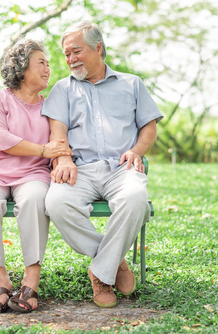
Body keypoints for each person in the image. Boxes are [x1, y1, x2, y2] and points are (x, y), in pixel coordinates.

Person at [41, 21, 163, 308]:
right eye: (66, 54)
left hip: (121, 168)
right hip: (79, 169)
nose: (70, 59)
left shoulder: (132, 83)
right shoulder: (62, 89)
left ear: (98, 48)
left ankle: (100, 274)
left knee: (136, 200)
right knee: (56, 203)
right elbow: (57, 132)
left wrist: (137, 150)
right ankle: (113, 261)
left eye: (76, 51)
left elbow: (149, 127)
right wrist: (63, 158)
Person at [0, 40, 72, 314]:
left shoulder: (50, 107)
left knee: (36, 199)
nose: (48, 69)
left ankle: (30, 283)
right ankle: (1, 283)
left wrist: (58, 155)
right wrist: (42, 149)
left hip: (33, 173)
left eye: (48, 64)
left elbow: (59, 143)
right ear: (22, 68)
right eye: (41, 63)